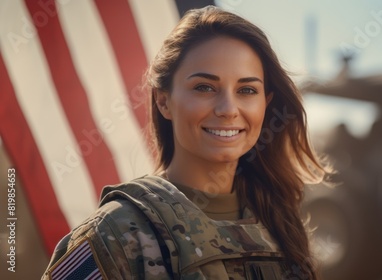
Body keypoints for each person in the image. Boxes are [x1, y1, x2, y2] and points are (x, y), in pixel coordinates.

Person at [42, 6, 328, 280]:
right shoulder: (112, 234)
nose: (228, 109)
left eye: (246, 90)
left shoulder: (281, 222)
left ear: (265, 104)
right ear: (164, 101)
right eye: (204, 87)